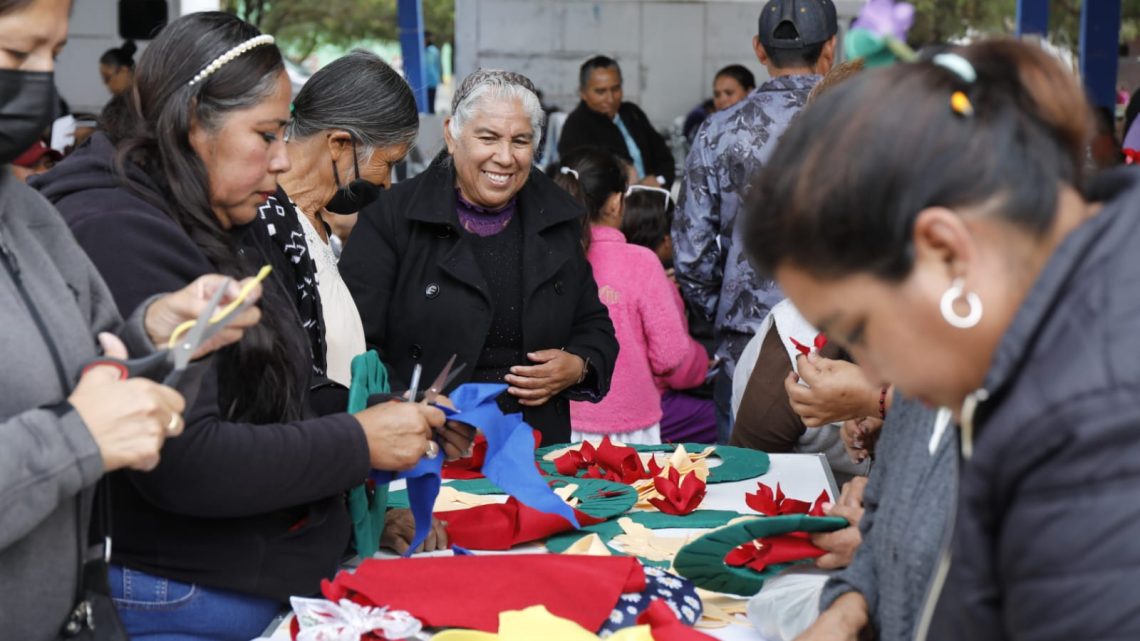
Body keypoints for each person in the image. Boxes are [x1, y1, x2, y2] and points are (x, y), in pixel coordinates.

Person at [36, 13, 467, 638]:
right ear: (193, 124)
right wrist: (357, 440)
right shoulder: (119, 229)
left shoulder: (203, 214)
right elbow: (186, 461)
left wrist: (386, 412)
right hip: (180, 587)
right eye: (266, 134)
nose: (282, 159)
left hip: (232, 577)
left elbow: (271, 391)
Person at [743, 38, 1140, 641]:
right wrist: (853, 605)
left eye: (861, 331)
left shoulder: (1097, 418)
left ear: (948, 252)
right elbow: (898, 530)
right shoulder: (1000, 344)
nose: (872, 371)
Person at [0, 1, 260, 638]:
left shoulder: (25, 214)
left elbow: (94, 360)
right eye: (15, 55)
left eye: (53, 57)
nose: (43, 84)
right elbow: (81, 423)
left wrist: (160, 334)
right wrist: (76, 438)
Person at [341, 69, 619, 446]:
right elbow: (357, 346)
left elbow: (595, 325)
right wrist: (414, 409)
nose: (505, 158)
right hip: (428, 447)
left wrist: (578, 365)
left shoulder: (557, 218)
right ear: (452, 134)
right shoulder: (391, 218)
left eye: (520, 141)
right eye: (487, 138)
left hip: (533, 445)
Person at [674, 0, 837, 443]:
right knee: (845, 499)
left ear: (759, 50)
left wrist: (725, 316)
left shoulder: (717, 130)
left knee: (744, 494)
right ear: (831, 48)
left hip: (745, 348)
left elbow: (691, 254)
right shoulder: (860, 127)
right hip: (841, 351)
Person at [255, 50, 418, 390]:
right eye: (388, 163)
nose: (387, 183)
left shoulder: (309, 224)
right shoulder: (270, 228)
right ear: (339, 145)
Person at [554, 148, 707, 445]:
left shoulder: (550, 258)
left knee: (570, 492)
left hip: (563, 421)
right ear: (614, 202)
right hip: (633, 424)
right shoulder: (641, 262)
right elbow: (670, 355)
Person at [620, 183, 718, 444]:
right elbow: (677, 366)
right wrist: (704, 361)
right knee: (724, 412)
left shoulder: (607, 270)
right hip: (654, 403)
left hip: (613, 397)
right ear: (666, 241)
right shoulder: (661, 286)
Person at [558, 55, 675, 187]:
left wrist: (658, 181)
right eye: (600, 91)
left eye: (615, 89)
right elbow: (582, 184)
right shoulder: (575, 127)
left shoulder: (632, 113)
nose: (610, 99)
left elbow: (665, 160)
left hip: (653, 201)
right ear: (583, 92)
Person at [423, 30, 442, 114]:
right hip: (425, 80)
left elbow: (438, 64)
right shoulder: (422, 50)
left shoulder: (433, 51)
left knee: (431, 103)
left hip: (432, 79)